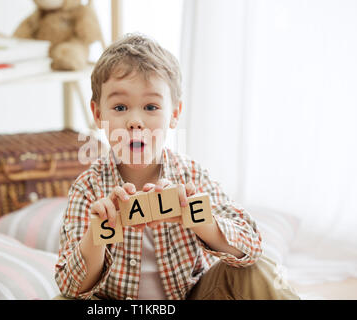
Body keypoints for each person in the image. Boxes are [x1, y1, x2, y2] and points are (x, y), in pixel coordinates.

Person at [54, 33, 299, 300]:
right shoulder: (88, 188)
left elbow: (251, 246)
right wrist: (96, 235)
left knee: (254, 271)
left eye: (151, 106)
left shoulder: (190, 175)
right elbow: (70, 286)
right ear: (98, 114)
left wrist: (199, 219)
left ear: (174, 114)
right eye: (120, 107)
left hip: (191, 297)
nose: (135, 121)